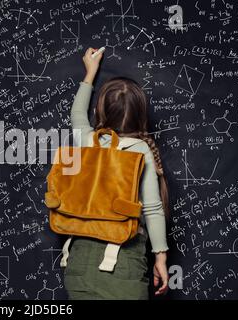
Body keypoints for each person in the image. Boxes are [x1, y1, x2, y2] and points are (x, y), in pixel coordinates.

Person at [63, 47, 170, 300]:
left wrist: (90, 72)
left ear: (101, 111)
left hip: (78, 264)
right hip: (123, 264)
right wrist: (161, 257)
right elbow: (153, 209)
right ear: (139, 114)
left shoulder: (87, 141)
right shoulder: (141, 149)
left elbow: (77, 114)